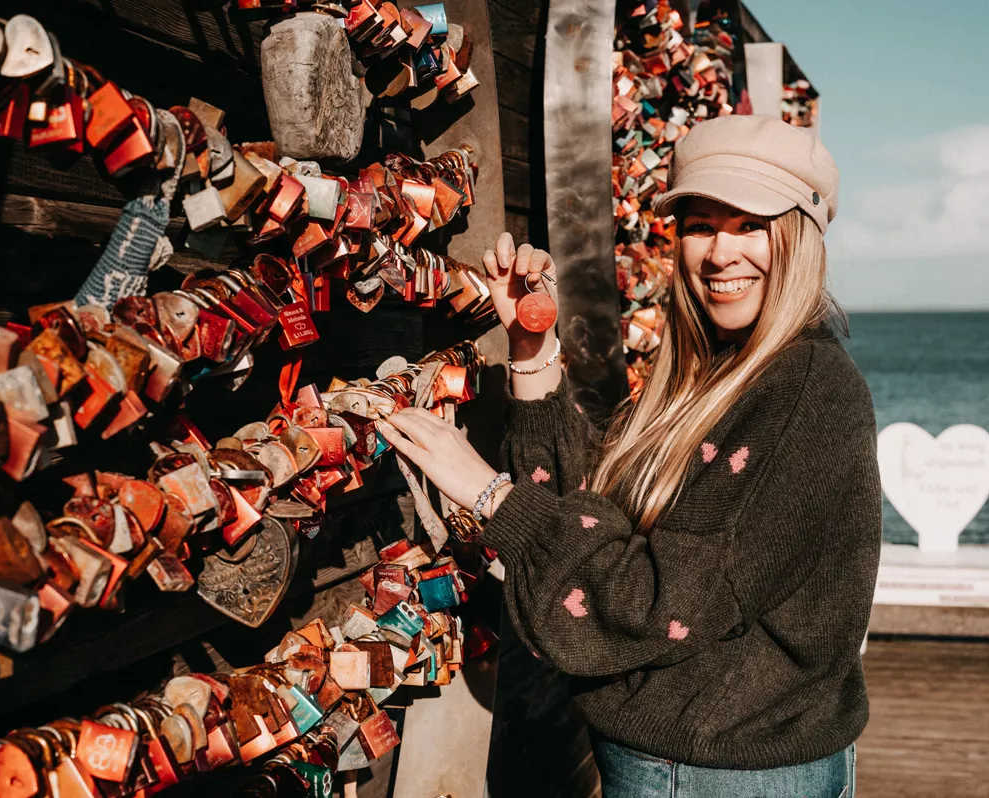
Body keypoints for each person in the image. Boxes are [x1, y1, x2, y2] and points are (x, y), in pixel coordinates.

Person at [378, 115, 882, 798]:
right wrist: (533, 355)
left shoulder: (804, 389)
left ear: (799, 236)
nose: (720, 253)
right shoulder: (725, 371)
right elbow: (605, 516)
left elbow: (653, 601)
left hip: (723, 776)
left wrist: (493, 496)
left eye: (749, 224)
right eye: (701, 225)